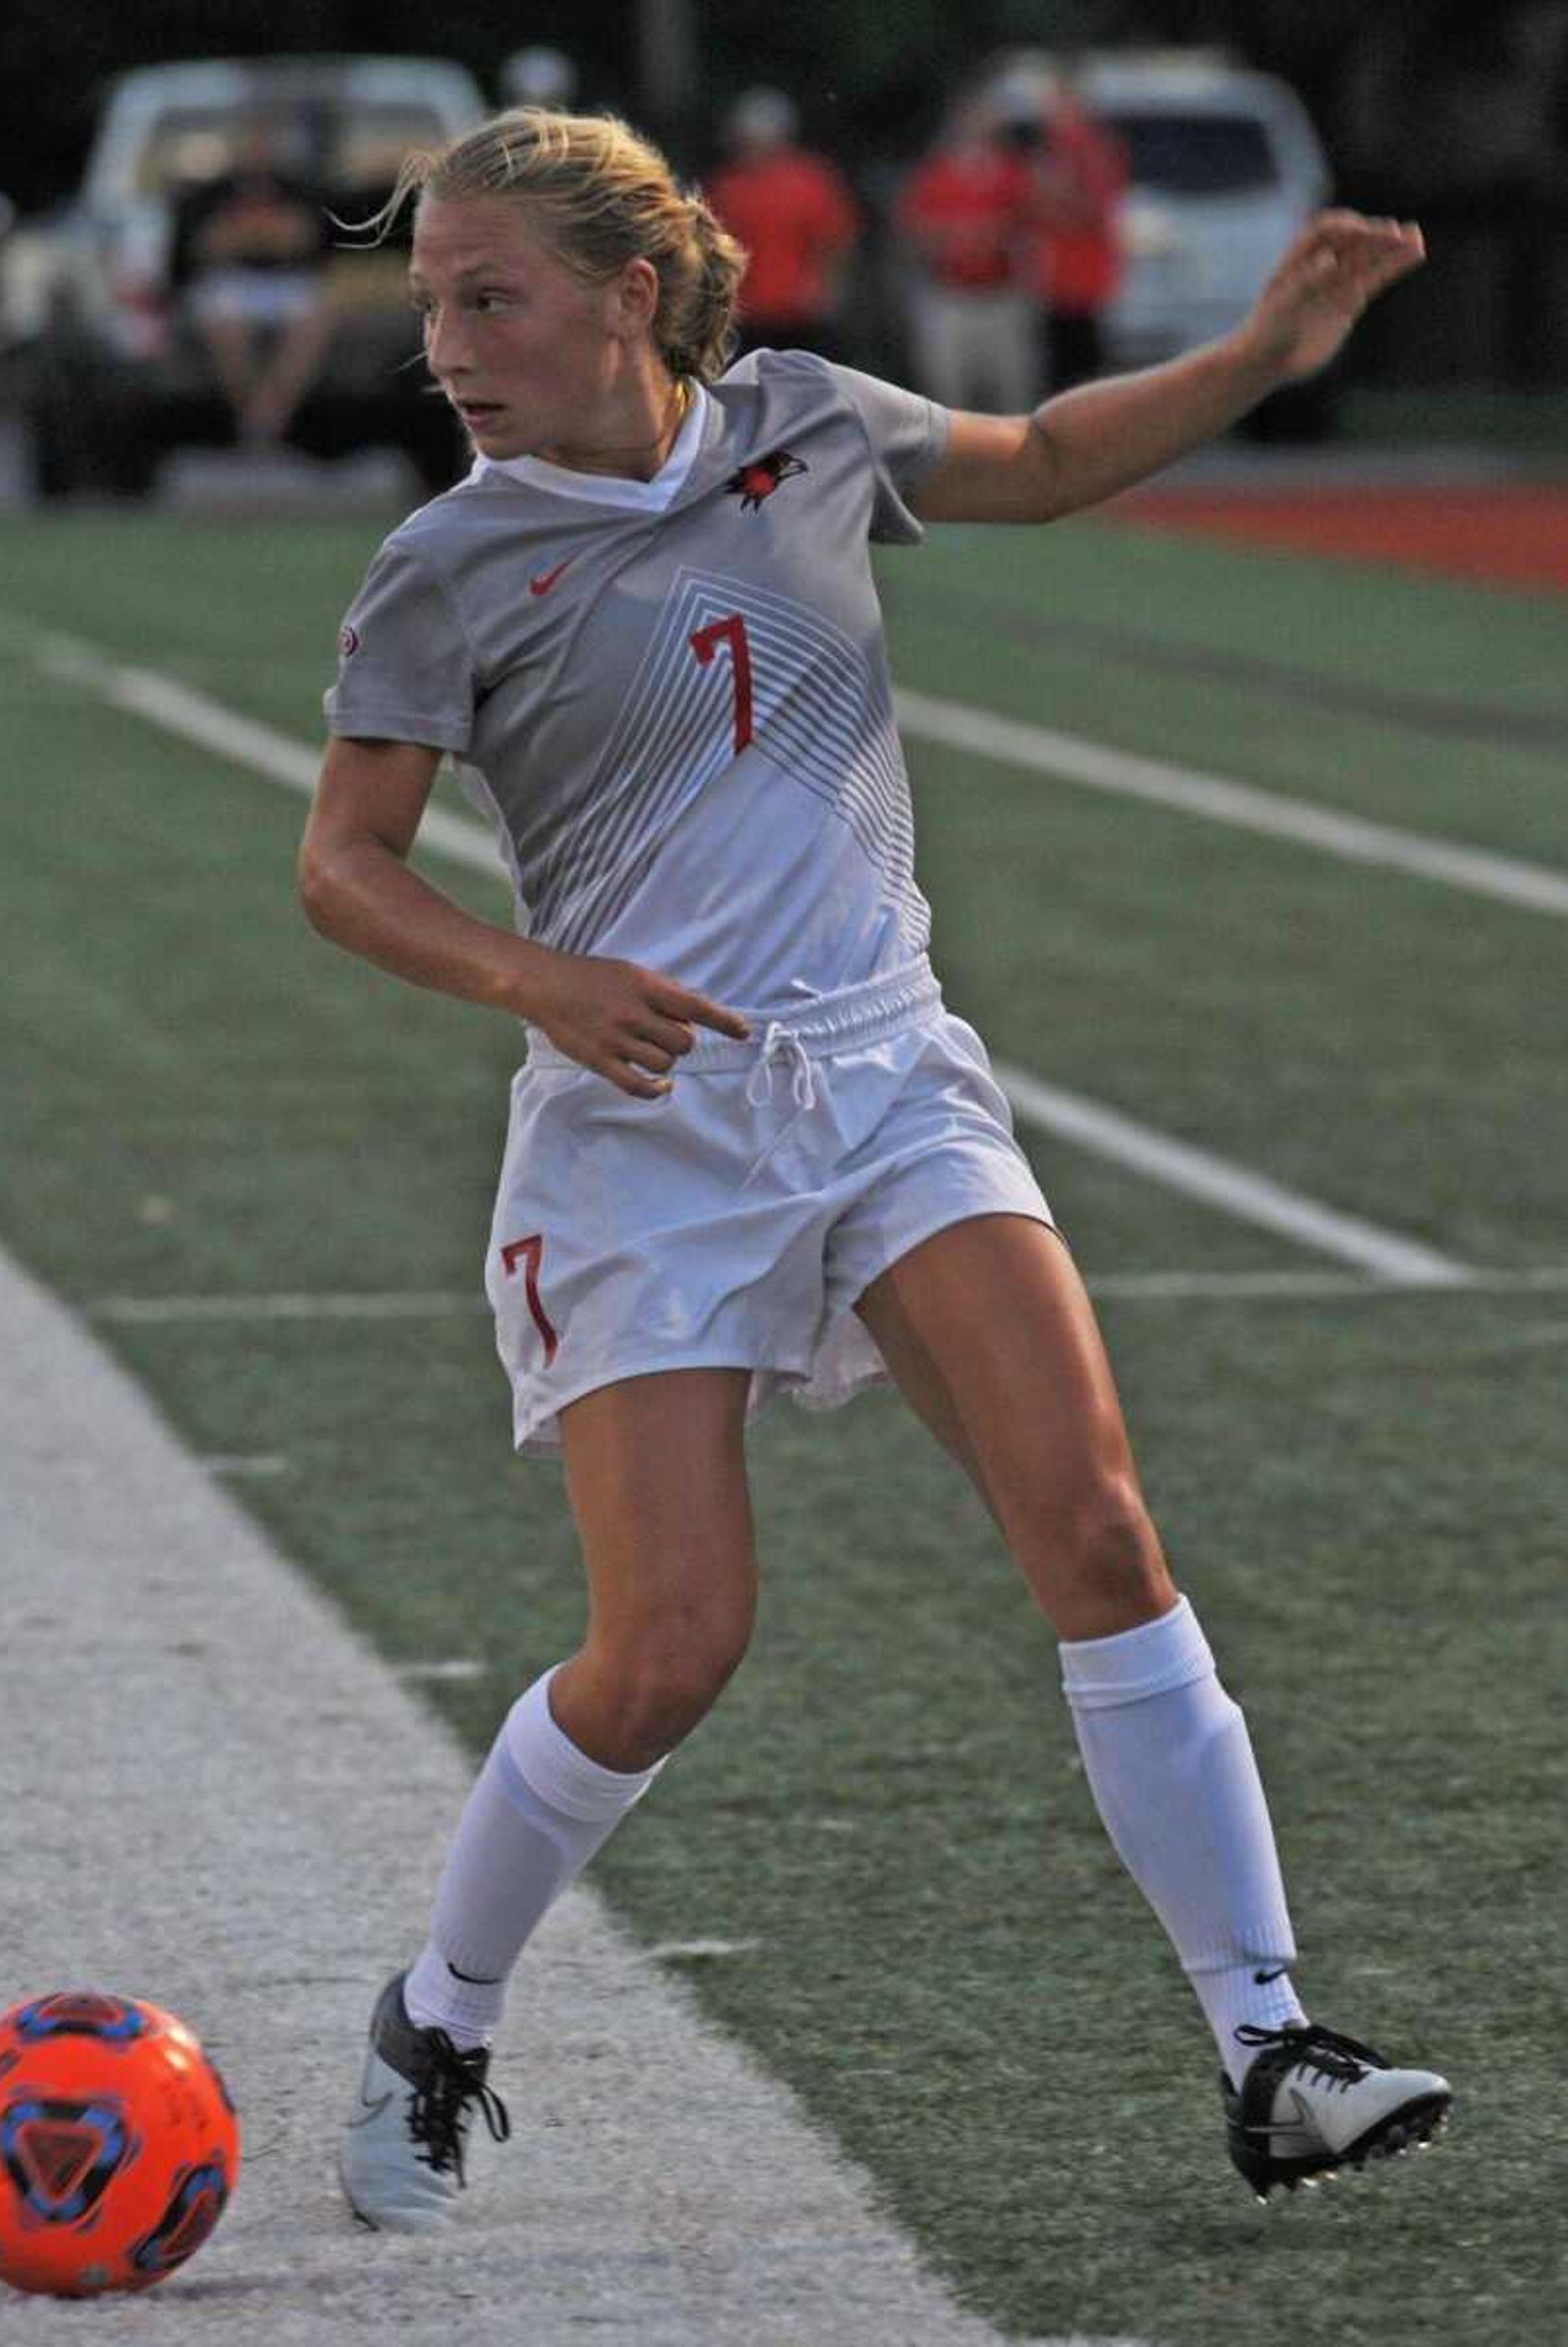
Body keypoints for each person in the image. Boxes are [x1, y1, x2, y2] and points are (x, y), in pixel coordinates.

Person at [299, 106, 1446, 2232]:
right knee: (668, 1647)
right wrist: (537, 978)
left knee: (1096, 1525)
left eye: (490, 294)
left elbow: (1051, 457)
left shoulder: (805, 424)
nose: (444, 341)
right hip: (644, 1139)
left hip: (885, 1070)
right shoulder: (446, 562)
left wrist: (1270, 349)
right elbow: (343, 867)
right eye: (435, 301)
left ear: (630, 292)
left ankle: (1269, 2036)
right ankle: (441, 2011)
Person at [177, 115, 336, 446]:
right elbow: (208, 246)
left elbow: (303, 241)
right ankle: (258, 410)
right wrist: (265, 237)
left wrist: (249, 237)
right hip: (232, 281)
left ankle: (270, 408)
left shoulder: (297, 187)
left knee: (316, 314)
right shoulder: (213, 190)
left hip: (285, 281)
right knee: (222, 320)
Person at [896, 95, 1038, 412]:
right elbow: (916, 230)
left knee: (1012, 392)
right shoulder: (936, 175)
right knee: (947, 391)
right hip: (951, 295)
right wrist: (955, 237)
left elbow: (1029, 227)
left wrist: (991, 236)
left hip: (1001, 295)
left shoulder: (1013, 174)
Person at [705, 89, 860, 360]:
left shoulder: (811, 180)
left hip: (801, 313)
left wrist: (825, 289)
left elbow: (837, 241)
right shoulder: (727, 187)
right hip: (749, 314)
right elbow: (713, 250)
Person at [1029, 63, 1129, 394]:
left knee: (1081, 371)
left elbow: (1093, 208)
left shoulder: (1090, 149)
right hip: (1057, 280)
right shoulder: (1051, 148)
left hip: (1083, 281)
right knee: (1059, 369)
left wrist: (1056, 194)